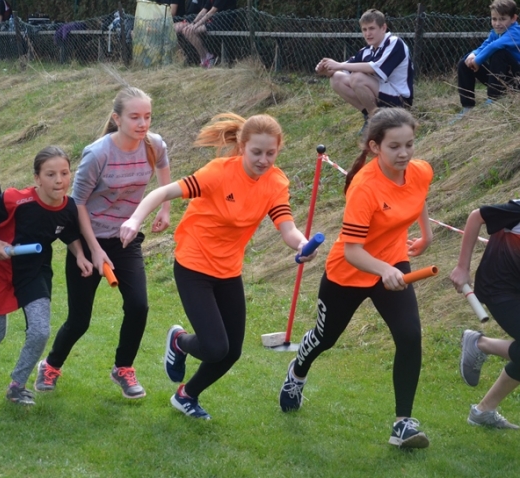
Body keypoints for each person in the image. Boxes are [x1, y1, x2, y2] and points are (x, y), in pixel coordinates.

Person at [119, 113, 313, 420]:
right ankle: (179, 342)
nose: (263, 160)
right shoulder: (219, 173)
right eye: (256, 152)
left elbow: (287, 228)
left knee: (231, 352)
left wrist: (302, 245)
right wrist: (135, 219)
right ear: (242, 146)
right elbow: (164, 192)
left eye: (270, 153)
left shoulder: (276, 182)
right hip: (194, 265)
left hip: (228, 271)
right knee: (214, 347)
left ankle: (186, 396)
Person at [276, 108, 433, 449]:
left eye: (409, 144)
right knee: (325, 337)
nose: (404, 153)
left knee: (409, 336)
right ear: (375, 147)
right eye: (395, 146)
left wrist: (426, 234)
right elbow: (352, 252)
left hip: (393, 261)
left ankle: (403, 424)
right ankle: (297, 372)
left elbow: (417, 196)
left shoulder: (420, 170)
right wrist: (383, 270)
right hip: (349, 271)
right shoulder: (365, 186)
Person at [36, 87, 172, 399]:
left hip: (125, 239)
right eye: (134, 117)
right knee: (79, 320)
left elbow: (164, 173)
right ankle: (51, 365)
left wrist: (165, 209)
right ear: (117, 118)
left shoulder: (154, 145)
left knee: (138, 306)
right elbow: (78, 203)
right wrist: (94, 251)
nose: (142, 123)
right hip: (88, 241)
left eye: (147, 116)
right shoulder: (98, 154)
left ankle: (123, 368)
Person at [0, 146, 92, 405]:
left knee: (40, 331)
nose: (59, 180)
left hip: (34, 272)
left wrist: (79, 255)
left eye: (65, 173)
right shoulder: (16, 200)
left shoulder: (69, 208)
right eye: (50, 174)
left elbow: (69, 234)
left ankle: (17, 386)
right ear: (37, 178)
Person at [449, 201, 520, 429]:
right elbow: (476, 216)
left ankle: (483, 411)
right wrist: (462, 267)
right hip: (498, 288)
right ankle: (481, 344)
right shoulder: (517, 210)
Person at [316, 9, 414, 134]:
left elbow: (374, 68)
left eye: (372, 28)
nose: (368, 34)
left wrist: (338, 65)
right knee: (336, 79)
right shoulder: (367, 50)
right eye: (364, 29)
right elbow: (345, 68)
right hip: (382, 94)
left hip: (400, 101)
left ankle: (376, 122)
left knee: (357, 77)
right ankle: (370, 116)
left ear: (383, 28)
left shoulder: (394, 42)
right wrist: (325, 70)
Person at [453, 0, 520, 121]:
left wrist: (477, 61)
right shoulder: (495, 32)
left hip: (516, 80)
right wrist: (473, 54)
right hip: (501, 78)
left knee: (499, 53)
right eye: (494, 19)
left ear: (513, 18)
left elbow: (494, 46)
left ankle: (494, 98)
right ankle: (467, 106)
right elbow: (486, 44)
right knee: (465, 63)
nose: (497, 23)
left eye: (502, 19)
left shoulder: (515, 32)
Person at [180, 0, 236, 67]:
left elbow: (212, 11)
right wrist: (193, 23)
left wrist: (196, 25)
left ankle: (208, 57)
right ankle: (205, 57)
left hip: (223, 22)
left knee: (190, 31)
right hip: (215, 21)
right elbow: (204, 10)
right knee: (186, 30)